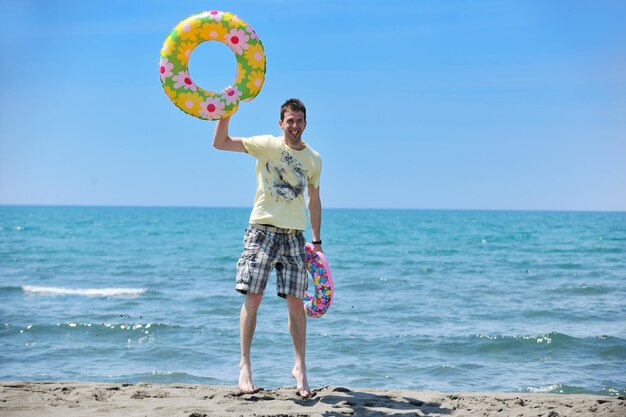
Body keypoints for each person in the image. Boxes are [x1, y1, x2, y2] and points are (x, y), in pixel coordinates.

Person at [212, 98, 323, 398]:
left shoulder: (314, 159)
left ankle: (300, 368)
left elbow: (314, 200)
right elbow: (220, 143)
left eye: (300, 120)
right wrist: (226, 111)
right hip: (262, 232)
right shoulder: (267, 145)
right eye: (290, 120)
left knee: (296, 304)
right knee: (254, 298)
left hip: (294, 237)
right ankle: (244, 365)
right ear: (281, 123)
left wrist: (317, 241)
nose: (295, 125)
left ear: (305, 123)